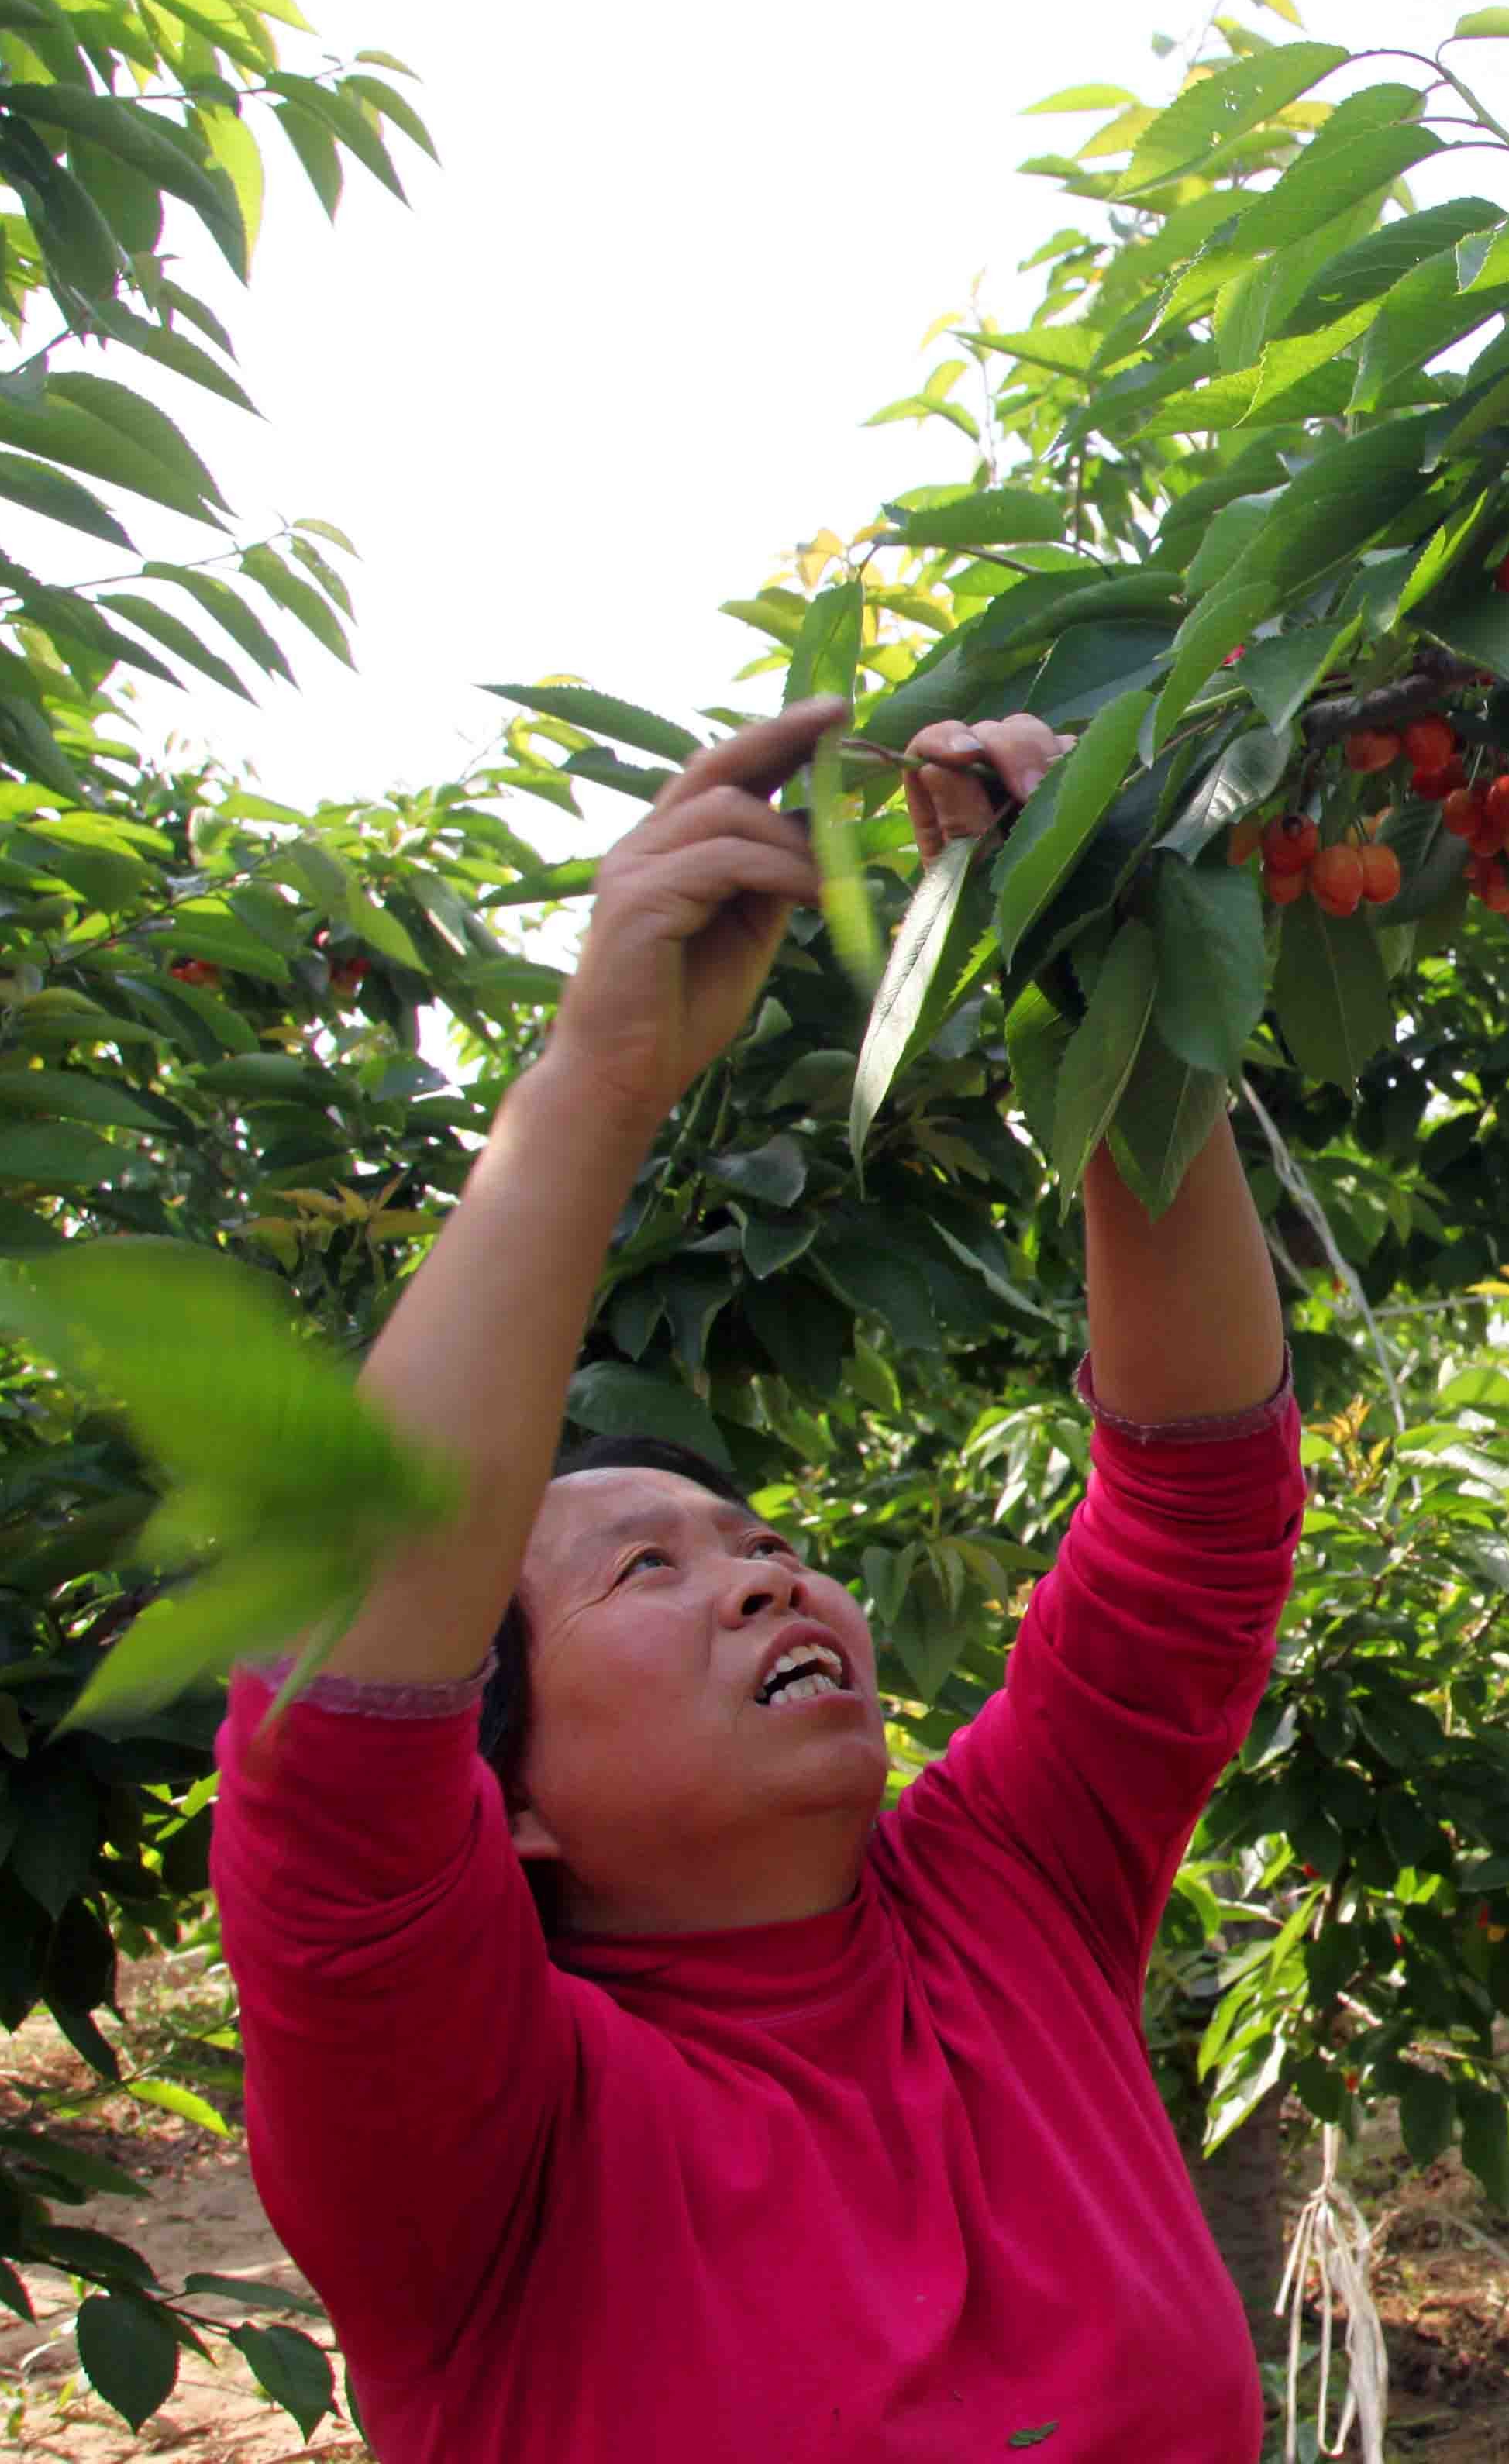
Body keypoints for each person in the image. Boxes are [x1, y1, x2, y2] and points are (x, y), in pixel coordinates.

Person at [207, 697, 1297, 2462]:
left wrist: (1103, 977)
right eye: (647, 1567)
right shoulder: (478, 2144)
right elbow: (338, 1740)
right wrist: (596, 1080)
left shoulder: (1005, 1902)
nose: (763, 1583)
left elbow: (1197, 1520)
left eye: (767, 1545)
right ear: (515, 1804)